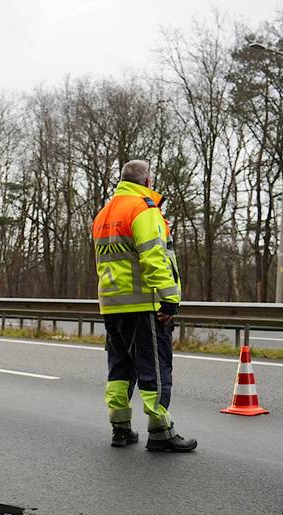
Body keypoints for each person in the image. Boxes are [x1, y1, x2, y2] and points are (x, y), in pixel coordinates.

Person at [92, 159, 197, 452]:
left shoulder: (104, 214)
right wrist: (169, 298)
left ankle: (120, 428)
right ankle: (161, 430)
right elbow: (154, 257)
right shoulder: (143, 208)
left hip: (112, 304)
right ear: (148, 182)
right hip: (144, 303)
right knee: (154, 368)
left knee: (120, 368)